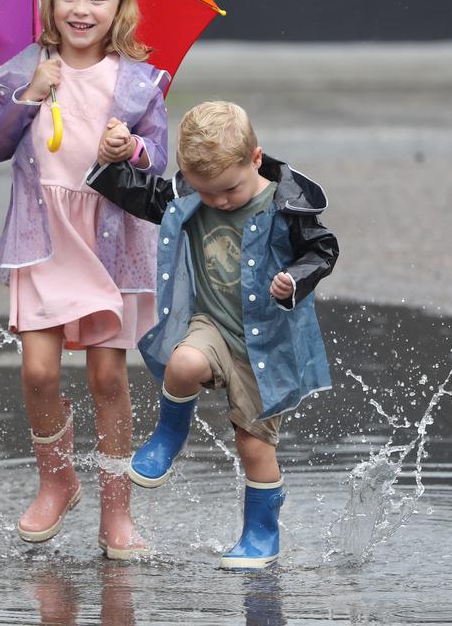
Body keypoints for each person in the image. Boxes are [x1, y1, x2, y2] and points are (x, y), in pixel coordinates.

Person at [0, 0, 169, 559]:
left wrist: (129, 149)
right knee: (38, 370)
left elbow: (160, 157)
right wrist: (30, 94)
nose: (81, 10)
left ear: (120, 7)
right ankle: (57, 479)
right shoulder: (22, 72)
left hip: (108, 240)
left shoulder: (137, 83)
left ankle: (118, 510)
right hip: (43, 237)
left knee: (109, 376)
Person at [86, 100, 339, 569]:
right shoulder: (191, 196)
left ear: (255, 159)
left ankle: (261, 533)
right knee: (183, 363)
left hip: (267, 344)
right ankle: (168, 435)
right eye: (207, 192)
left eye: (229, 190)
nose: (219, 201)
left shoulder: (288, 205)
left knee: (254, 446)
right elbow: (139, 193)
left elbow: (322, 250)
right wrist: (113, 157)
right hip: (212, 326)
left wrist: (295, 281)